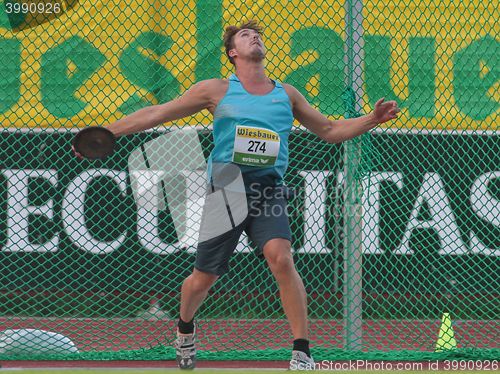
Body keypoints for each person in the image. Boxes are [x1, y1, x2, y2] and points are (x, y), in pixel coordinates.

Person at [104, 20, 400, 370]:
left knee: (281, 257)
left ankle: (301, 350)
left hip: (268, 189)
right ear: (233, 52)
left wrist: (372, 119)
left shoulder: (286, 94)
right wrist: (107, 132)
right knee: (203, 278)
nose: (254, 38)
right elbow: (157, 113)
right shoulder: (215, 89)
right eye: (245, 36)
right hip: (226, 189)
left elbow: (331, 129)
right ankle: (185, 327)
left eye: (257, 35)